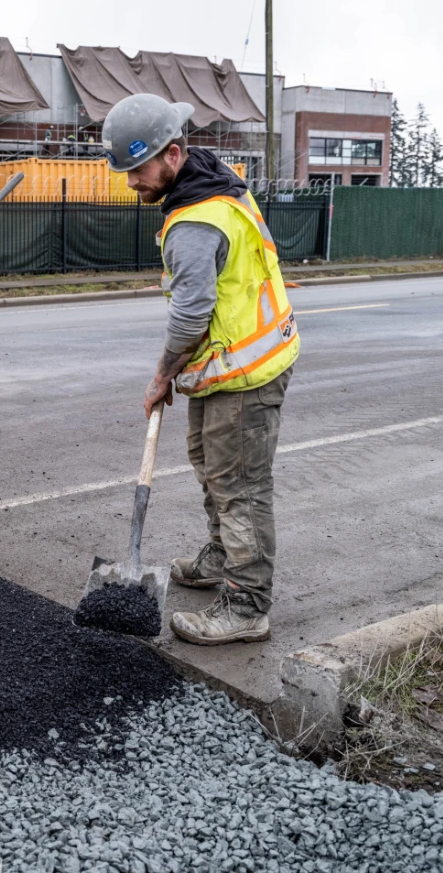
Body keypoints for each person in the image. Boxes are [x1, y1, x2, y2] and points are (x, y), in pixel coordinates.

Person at [102, 94, 300, 645]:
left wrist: (162, 376)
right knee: (210, 466)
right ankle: (221, 555)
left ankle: (246, 604)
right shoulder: (215, 183)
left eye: (135, 170)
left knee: (239, 485)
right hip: (225, 366)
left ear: (171, 154)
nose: (130, 184)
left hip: (247, 372)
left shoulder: (195, 221)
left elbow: (191, 315)